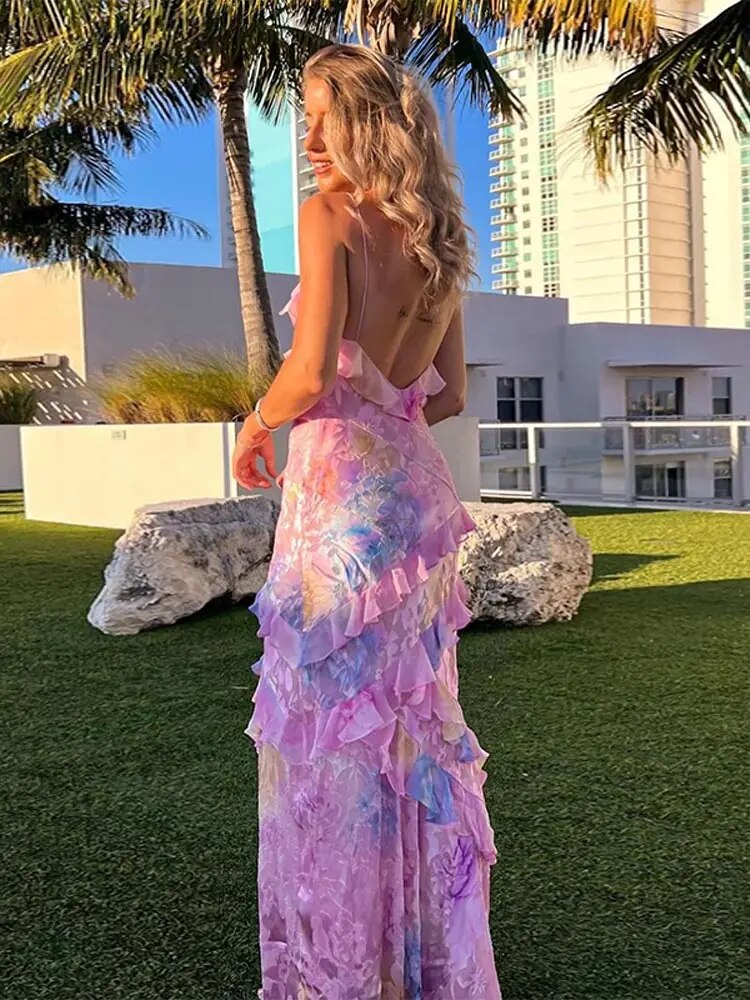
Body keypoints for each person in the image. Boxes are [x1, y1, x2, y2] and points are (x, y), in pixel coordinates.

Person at [232, 43, 502, 1000]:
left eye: (325, 117)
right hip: (414, 512)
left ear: (371, 124)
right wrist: (387, 410)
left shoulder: (330, 217)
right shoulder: (443, 240)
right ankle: (420, 965)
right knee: (409, 729)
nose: (308, 139)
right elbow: (451, 393)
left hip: (340, 513)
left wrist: (257, 424)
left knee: (336, 746)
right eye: (302, 120)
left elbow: (309, 370)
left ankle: (348, 972)